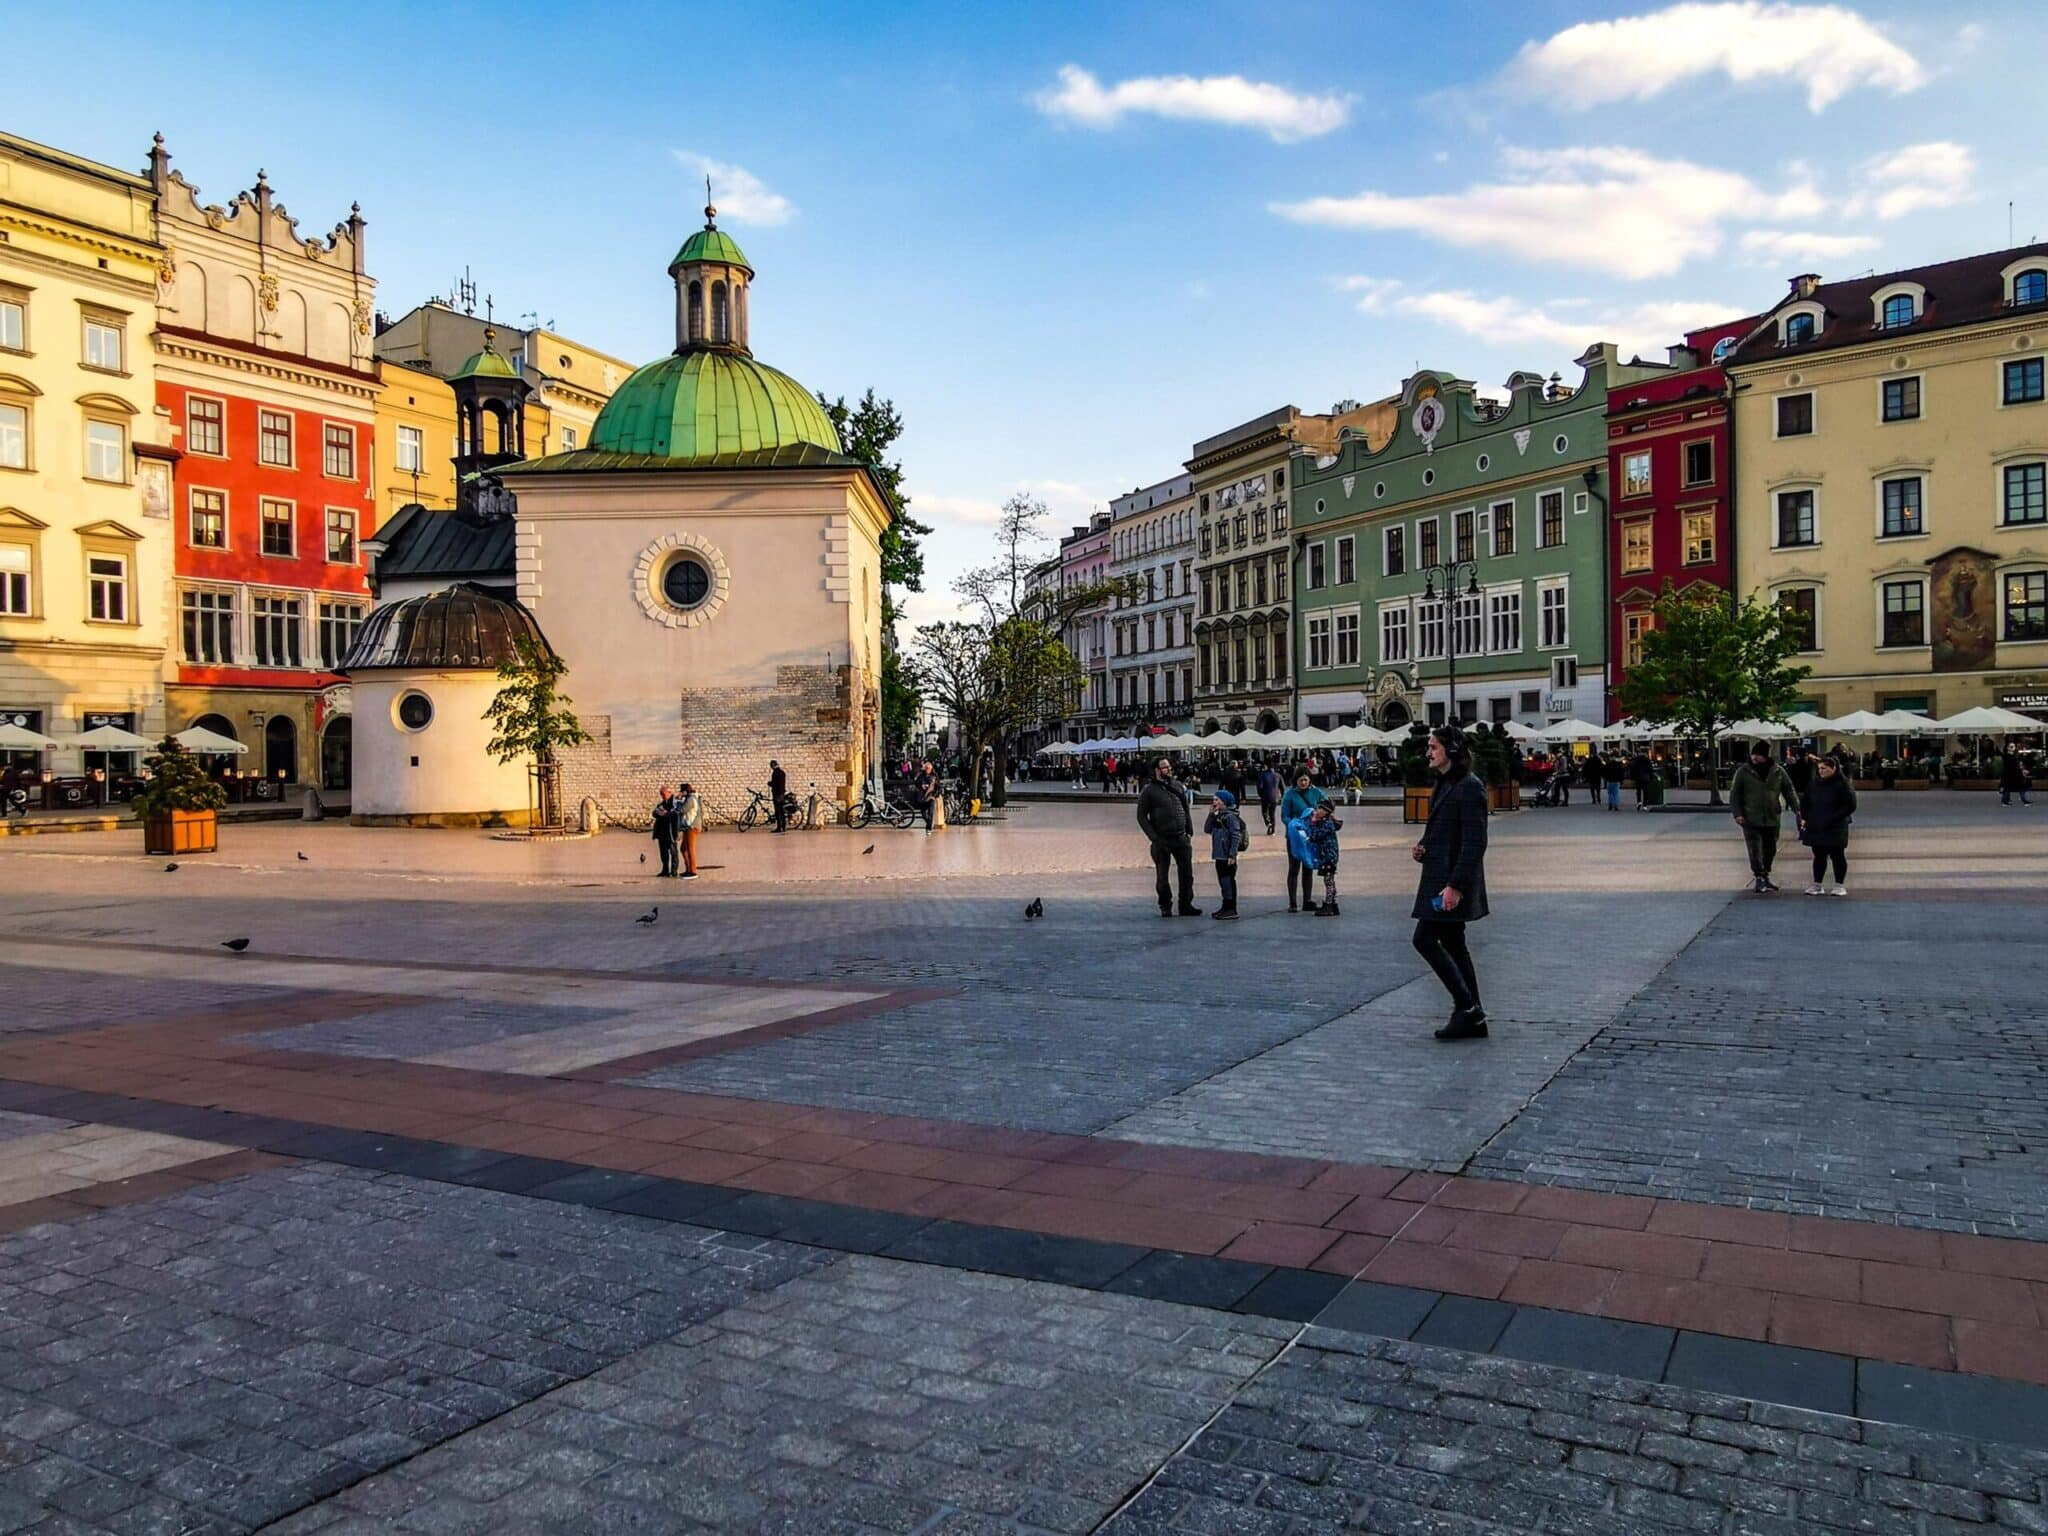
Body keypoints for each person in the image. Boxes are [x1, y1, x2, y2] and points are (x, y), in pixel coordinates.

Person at [1412, 725, 1490, 1041]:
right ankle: (1473, 1016)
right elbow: (1445, 830)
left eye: (1434, 747)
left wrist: (1456, 885)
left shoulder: (1470, 787)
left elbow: (1475, 841)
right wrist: (1424, 846)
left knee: (1424, 939)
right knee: (1454, 943)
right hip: (1439, 875)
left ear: (1451, 751)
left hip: (1450, 882)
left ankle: (1468, 1008)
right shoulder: (1445, 784)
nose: (1428, 752)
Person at [1729, 743, 1799, 893]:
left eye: (1758, 755)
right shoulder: (1743, 771)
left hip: (1772, 816)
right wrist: (1738, 813)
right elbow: (1735, 794)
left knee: (1771, 848)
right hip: (1750, 816)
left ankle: (1765, 874)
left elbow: (1789, 790)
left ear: (1765, 756)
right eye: (1753, 754)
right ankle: (1759, 876)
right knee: (1755, 849)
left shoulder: (1778, 771)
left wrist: (1797, 810)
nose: (1754, 757)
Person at [1137, 757, 1200, 917]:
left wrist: (1189, 831)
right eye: (1165, 767)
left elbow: (1185, 808)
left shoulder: (1177, 786)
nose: (1169, 769)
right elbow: (1141, 816)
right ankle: (1165, 905)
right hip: (1161, 839)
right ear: (1157, 770)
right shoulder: (1149, 790)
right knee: (1162, 878)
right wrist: (1154, 838)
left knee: (1187, 875)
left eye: (1169, 766)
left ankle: (1186, 905)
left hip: (1181, 837)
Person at [1799, 753, 1858, 896]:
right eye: (1819, 768)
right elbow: (1805, 801)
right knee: (1819, 855)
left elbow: (1850, 805)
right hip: (1817, 824)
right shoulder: (1814, 784)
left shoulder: (1842, 784)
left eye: (1824, 768)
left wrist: (1835, 817)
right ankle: (1817, 884)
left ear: (1833, 768)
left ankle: (1839, 885)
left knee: (1837, 855)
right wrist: (1805, 817)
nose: (1821, 771)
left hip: (1835, 825)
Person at [1279, 771, 1327, 913]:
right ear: (1296, 781)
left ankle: (1307, 900)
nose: (1304, 783)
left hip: (1310, 836)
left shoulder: (1316, 792)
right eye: (1301, 780)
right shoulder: (1290, 795)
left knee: (1308, 867)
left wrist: (1319, 817)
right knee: (1294, 868)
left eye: (1306, 780)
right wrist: (1295, 824)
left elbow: (1327, 806)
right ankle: (1293, 903)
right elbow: (1284, 816)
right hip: (1295, 836)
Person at [1204, 789, 1244, 920]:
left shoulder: (1231, 817)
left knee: (1228, 881)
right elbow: (1207, 829)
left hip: (1227, 856)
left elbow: (1236, 836)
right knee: (1222, 881)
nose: (1214, 802)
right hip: (1219, 855)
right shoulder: (1218, 816)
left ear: (1224, 802)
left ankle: (1231, 908)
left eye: (1217, 800)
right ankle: (1225, 906)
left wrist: (1232, 854)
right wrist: (1211, 815)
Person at [1306, 801, 1343, 915]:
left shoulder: (1327, 823)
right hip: (1328, 855)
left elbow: (1315, 836)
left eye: (1320, 809)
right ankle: (1333, 904)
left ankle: (1329, 906)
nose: (1317, 811)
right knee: (1330, 880)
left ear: (1326, 812)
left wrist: (1313, 823)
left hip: (1328, 856)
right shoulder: (1326, 822)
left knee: (1328, 881)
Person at [650, 786, 680, 877]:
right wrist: (659, 813)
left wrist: (666, 814)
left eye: (663, 794)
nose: (662, 796)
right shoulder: (662, 804)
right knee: (663, 852)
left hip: (671, 831)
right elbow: (654, 812)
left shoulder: (675, 803)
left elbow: (676, 815)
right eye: (661, 794)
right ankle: (665, 870)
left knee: (673, 852)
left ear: (669, 793)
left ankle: (674, 871)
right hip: (662, 831)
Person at [677, 782, 703, 878]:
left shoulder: (691, 799)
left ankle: (693, 871)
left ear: (685, 791)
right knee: (683, 849)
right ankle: (688, 868)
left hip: (692, 827)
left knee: (690, 849)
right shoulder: (690, 798)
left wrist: (678, 800)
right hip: (688, 827)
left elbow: (682, 810)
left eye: (681, 792)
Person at [2001, 742, 2032, 807]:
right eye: (2011, 746)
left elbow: (2018, 763)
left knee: (2011, 788)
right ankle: (2005, 802)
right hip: (2009, 775)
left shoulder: (2014, 755)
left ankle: (2006, 801)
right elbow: (2011, 765)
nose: (2013, 748)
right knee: (2008, 788)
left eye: (2014, 746)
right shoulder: (2006, 756)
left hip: (2014, 774)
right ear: (2007, 748)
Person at [1255, 761, 1282, 835]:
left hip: (1265, 796)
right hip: (1275, 797)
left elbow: (1260, 786)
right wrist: (1281, 796)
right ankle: (1272, 830)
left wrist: (1260, 794)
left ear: (1266, 766)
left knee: (1264, 812)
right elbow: (1282, 787)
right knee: (1272, 813)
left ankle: (1268, 823)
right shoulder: (1278, 775)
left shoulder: (1262, 775)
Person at [912, 757, 938, 832]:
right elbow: (917, 782)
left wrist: (935, 794)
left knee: (931, 813)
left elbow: (938, 786)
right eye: (926, 768)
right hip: (923, 796)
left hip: (931, 796)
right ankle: (929, 823)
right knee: (923, 813)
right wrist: (921, 786)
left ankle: (928, 829)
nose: (927, 770)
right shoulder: (921, 776)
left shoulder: (934, 776)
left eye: (928, 768)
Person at [768, 759, 789, 832]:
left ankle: (779, 827)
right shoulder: (782, 772)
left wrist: (769, 783)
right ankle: (783, 827)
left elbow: (774, 784)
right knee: (782, 811)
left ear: (772, 766)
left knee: (778, 812)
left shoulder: (775, 773)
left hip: (777, 794)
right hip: (782, 794)